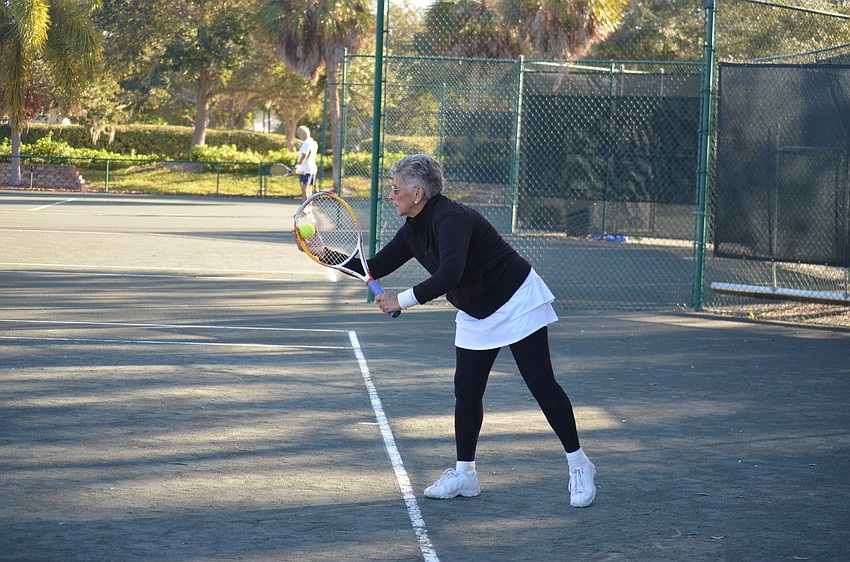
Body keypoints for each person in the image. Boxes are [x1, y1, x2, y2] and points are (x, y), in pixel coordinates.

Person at [366, 154, 597, 508]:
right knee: (467, 391)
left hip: (517, 299)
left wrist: (402, 300)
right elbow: (375, 265)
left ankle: (579, 464)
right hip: (476, 310)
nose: (391, 195)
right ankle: (465, 476)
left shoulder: (451, 218)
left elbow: (449, 275)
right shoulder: (413, 229)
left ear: (417, 193)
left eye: (395, 189)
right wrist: (324, 253)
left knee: (541, 384)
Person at [294, 126, 318, 200]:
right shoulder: (314, 143)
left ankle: (306, 210)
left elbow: (304, 155)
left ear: (305, 133)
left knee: (304, 190)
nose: (298, 135)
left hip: (305, 170)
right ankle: (309, 210)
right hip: (312, 169)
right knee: (309, 190)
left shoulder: (306, 143)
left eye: (299, 133)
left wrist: (297, 167)